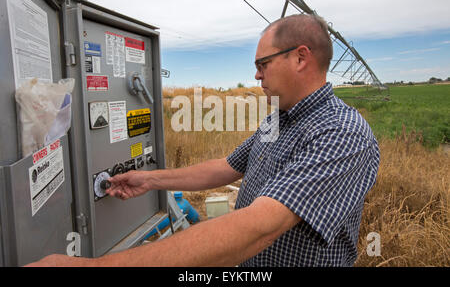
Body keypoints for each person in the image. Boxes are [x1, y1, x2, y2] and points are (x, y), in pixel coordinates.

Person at [27, 14, 379, 267]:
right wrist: (149, 179)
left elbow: (258, 228)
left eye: (263, 63)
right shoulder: (280, 119)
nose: (256, 74)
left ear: (301, 57)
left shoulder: (342, 134)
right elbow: (224, 168)